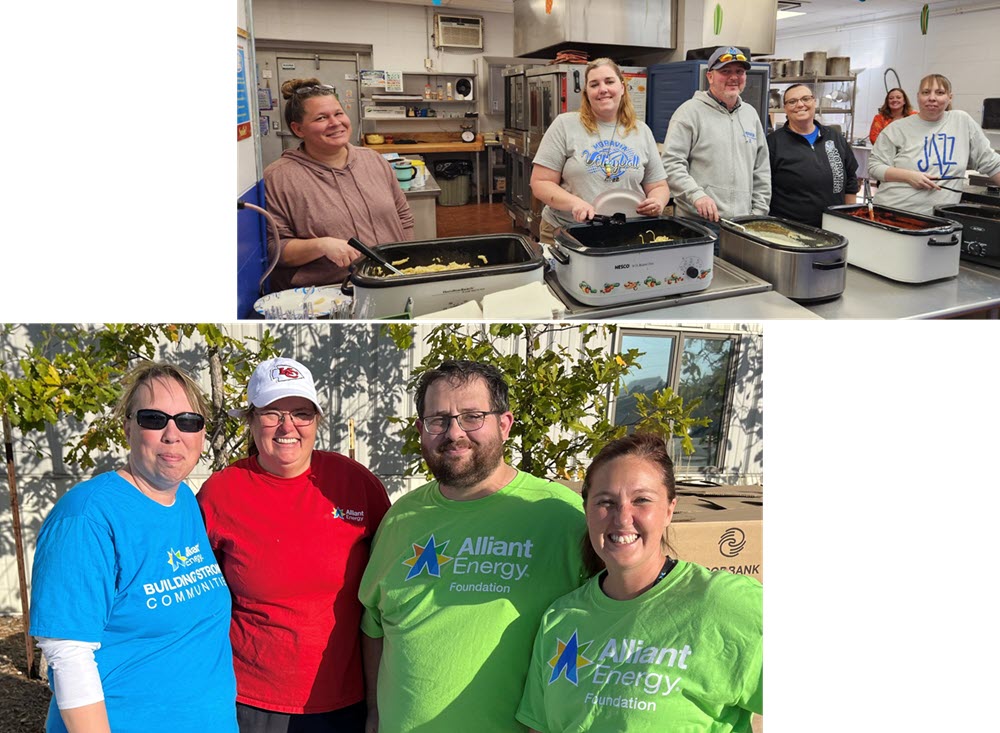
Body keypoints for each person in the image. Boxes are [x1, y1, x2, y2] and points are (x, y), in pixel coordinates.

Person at [357, 360, 588, 733]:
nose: (454, 433)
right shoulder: (401, 519)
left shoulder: (562, 517)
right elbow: (375, 626)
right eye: (439, 420)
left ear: (505, 424)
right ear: (421, 430)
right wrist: (373, 713)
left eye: (472, 416)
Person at [29, 362, 237, 733]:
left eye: (189, 421)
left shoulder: (184, 501)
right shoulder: (86, 517)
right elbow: (68, 654)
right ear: (127, 426)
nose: (173, 434)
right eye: (154, 419)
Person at [516, 433, 763, 732]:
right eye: (606, 502)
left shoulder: (725, 604)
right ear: (587, 511)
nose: (622, 518)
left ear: (669, 510)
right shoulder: (561, 618)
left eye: (641, 500)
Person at [197, 357, 391, 733]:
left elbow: (389, 585)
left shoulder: (354, 484)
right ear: (251, 420)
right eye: (272, 413)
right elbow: (197, 596)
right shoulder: (221, 493)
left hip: (345, 700)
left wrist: (378, 703)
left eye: (301, 414)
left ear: (316, 421)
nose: (288, 427)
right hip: (252, 702)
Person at [264, 78, 415, 290]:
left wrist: (404, 262)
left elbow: (403, 216)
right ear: (298, 129)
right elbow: (274, 248)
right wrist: (320, 245)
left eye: (338, 113)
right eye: (321, 118)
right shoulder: (280, 177)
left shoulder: (373, 160)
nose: (335, 123)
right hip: (328, 292)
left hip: (392, 281)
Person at [530, 57, 670, 244]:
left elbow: (659, 186)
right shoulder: (565, 125)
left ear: (622, 87)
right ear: (586, 92)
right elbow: (540, 182)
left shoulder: (641, 130)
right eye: (594, 84)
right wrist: (575, 203)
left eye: (609, 82)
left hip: (627, 233)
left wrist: (657, 202)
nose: (603, 89)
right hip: (568, 232)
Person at [662, 46, 771, 225]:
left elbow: (761, 169)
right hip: (698, 222)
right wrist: (697, 196)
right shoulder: (689, 112)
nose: (733, 77)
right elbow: (671, 164)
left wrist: (758, 213)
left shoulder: (750, 114)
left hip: (744, 224)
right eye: (725, 71)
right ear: (710, 76)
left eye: (739, 71)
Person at [870, 73, 1000, 216]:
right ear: (918, 96)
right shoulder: (897, 128)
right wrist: (909, 176)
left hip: (940, 220)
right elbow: (875, 166)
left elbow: (992, 163)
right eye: (926, 92)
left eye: (940, 92)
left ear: (950, 97)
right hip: (892, 213)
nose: (932, 98)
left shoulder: (961, 122)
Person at [767, 84, 859, 227]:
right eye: (792, 101)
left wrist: (850, 219)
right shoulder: (773, 143)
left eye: (806, 99)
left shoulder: (834, 136)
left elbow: (851, 180)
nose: (800, 104)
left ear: (814, 102)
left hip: (834, 227)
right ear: (785, 108)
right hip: (791, 230)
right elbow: (764, 188)